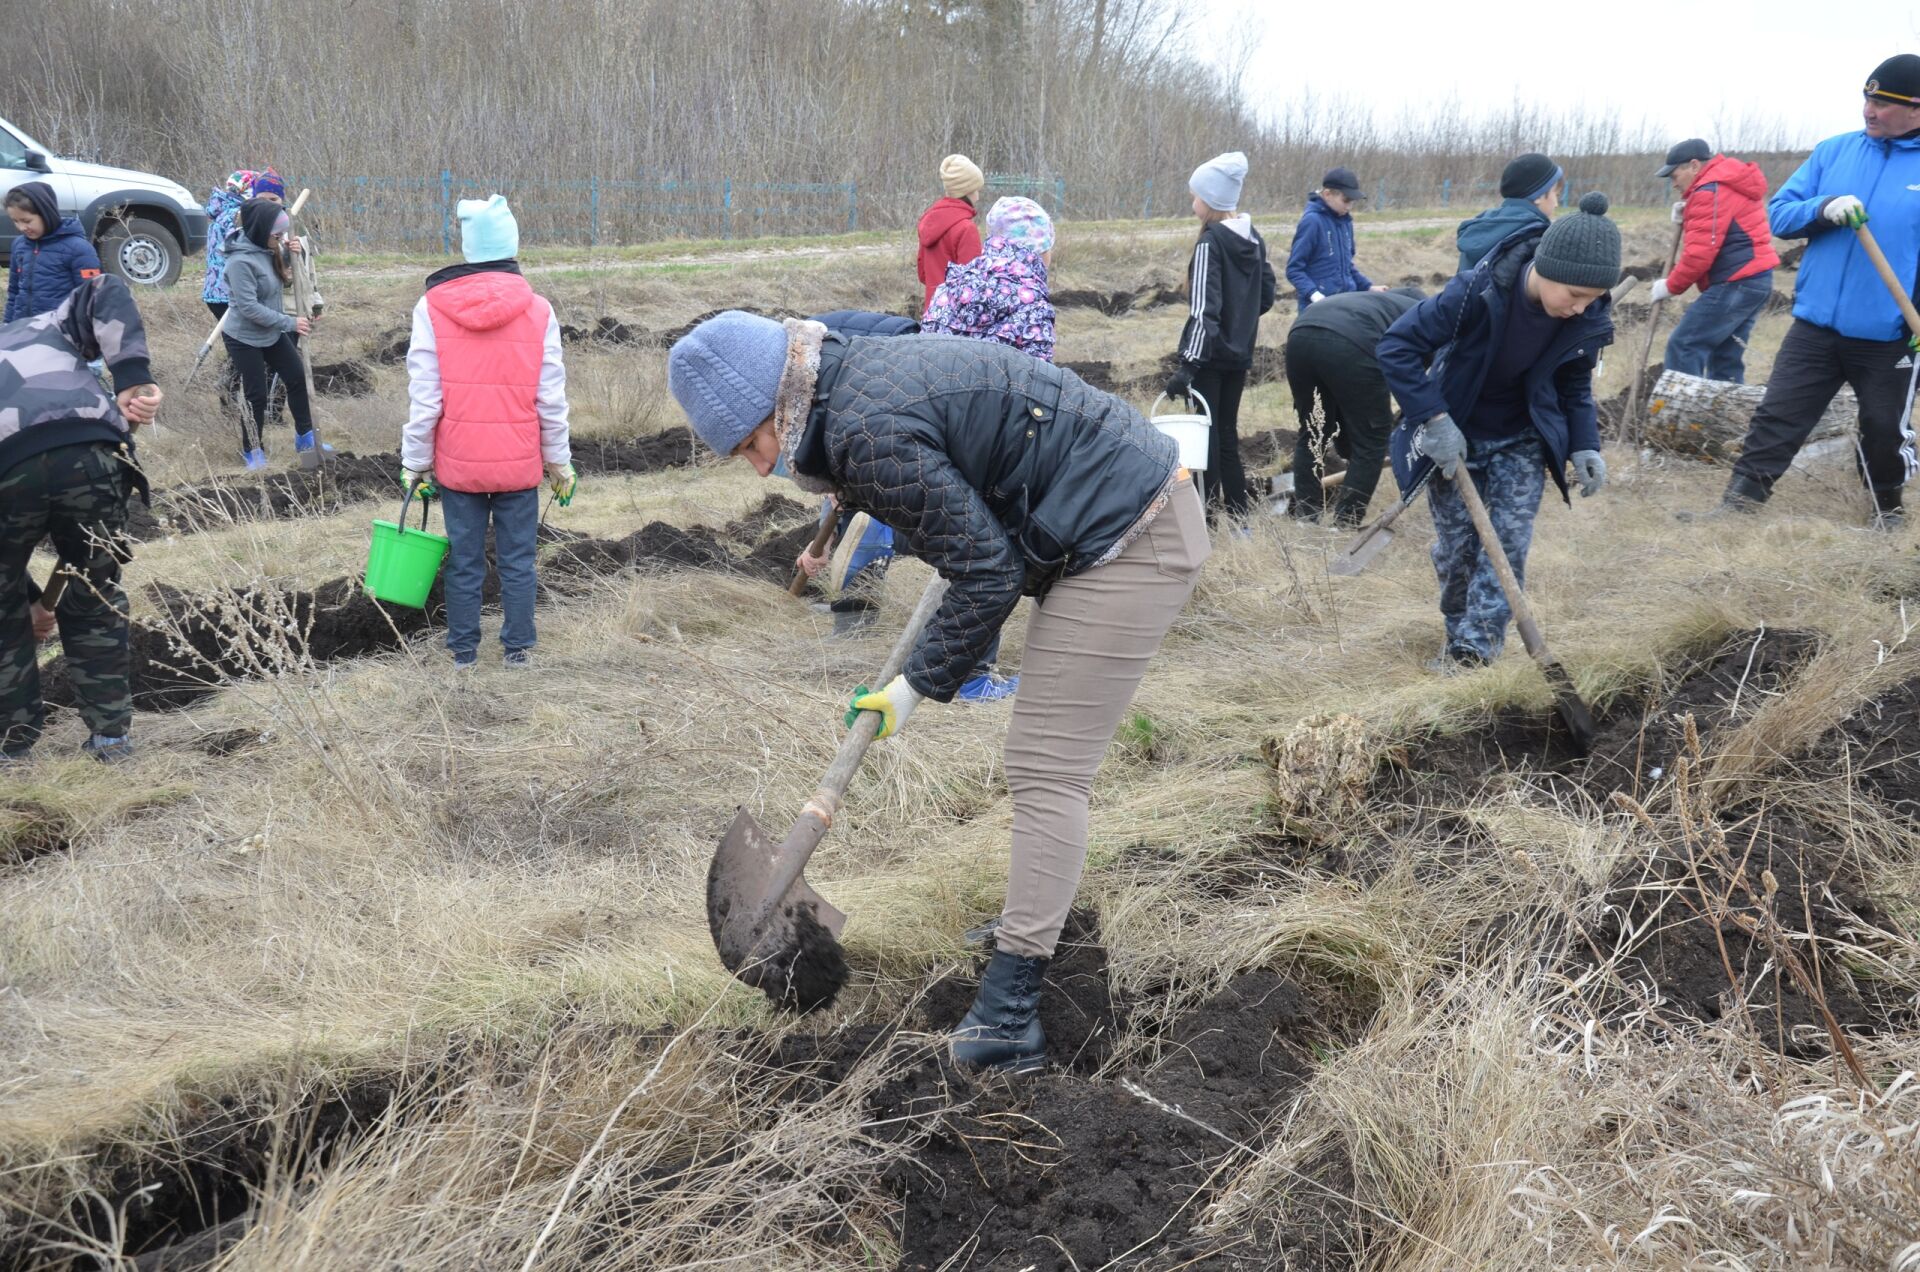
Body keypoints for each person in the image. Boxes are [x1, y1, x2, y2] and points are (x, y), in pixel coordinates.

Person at [668, 310, 1209, 1073]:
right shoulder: (840, 366)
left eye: (753, 441)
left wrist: (914, 687)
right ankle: (1032, 917)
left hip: (1133, 534)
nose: (758, 467)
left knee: (1046, 769)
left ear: (778, 401)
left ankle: (1011, 1012)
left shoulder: (866, 429)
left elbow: (987, 574)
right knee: (1038, 764)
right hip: (1092, 512)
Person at [1376, 192, 1618, 673]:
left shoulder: (1586, 312)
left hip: (1522, 439)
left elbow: (1574, 381)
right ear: (1544, 269)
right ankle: (1455, 629)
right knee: (1458, 550)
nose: (1579, 309)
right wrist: (1434, 419)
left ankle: (1473, 653)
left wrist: (1585, 443)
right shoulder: (1477, 292)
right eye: (1573, 296)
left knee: (1506, 544)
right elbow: (1396, 347)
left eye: (1591, 300)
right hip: (1455, 436)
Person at [1708, 54, 1920, 525]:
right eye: (1867, 97)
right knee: (1777, 415)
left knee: (1884, 428)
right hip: (1816, 324)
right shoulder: (1833, 151)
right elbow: (1779, 214)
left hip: (1891, 333)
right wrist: (1823, 208)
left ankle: (1888, 512)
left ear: (1917, 109)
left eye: (1884, 103)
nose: (1869, 110)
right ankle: (1738, 506)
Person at [402, 195, 575, 670]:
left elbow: (426, 397)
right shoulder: (539, 309)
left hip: (459, 465)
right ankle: (518, 652)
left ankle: (463, 655)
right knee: (519, 561)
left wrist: (414, 462)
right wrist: (559, 461)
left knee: (463, 561)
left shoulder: (430, 307)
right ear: (511, 248)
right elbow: (550, 399)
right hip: (519, 463)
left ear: (468, 248)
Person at [0, 275, 161, 763]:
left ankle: (13, 746)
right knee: (94, 593)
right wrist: (131, 377)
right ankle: (112, 738)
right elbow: (105, 288)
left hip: (10, 467)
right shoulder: (43, 323)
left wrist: (19, 600)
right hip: (95, 453)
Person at [1165, 151, 1277, 523]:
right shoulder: (1253, 238)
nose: (1191, 200)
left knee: (1203, 441)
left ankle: (1207, 521)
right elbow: (1266, 295)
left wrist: (1187, 366)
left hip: (1210, 360)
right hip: (1239, 356)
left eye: (1195, 195)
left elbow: (1203, 312)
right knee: (1226, 435)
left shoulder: (1211, 243)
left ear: (1210, 200)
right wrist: (1240, 326)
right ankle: (1240, 518)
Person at [1284, 286, 1426, 526]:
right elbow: (1415, 379)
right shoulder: (1423, 315)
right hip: (1352, 341)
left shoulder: (1376, 301)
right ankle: (1344, 523)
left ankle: (1306, 518)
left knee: (1314, 433)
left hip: (1300, 334)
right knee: (1372, 441)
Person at [1650, 138, 1779, 383]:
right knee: (1725, 355)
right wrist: (1689, 212)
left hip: (1737, 282)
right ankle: (1726, 418)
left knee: (1685, 344)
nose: (1673, 182)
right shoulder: (1724, 184)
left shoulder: (1709, 191)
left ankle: (1682, 417)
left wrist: (1669, 286)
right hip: (1755, 280)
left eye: (1674, 175)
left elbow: (1699, 256)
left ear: (1694, 166)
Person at [221, 199, 317, 469]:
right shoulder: (239, 262)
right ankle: (252, 450)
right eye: (277, 234)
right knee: (256, 394)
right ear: (260, 229)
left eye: (283, 234)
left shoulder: (268, 248)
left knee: (296, 377)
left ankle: (305, 436)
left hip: (270, 332)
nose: (281, 238)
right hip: (244, 337)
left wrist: (290, 253)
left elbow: (280, 276)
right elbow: (249, 308)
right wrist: (289, 323)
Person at [922, 195, 1057, 361]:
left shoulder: (948, 287)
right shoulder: (1035, 306)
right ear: (1041, 247)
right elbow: (1039, 381)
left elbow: (924, 357)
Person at [1286, 167, 1383, 312]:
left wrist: (1368, 286)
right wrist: (1314, 295)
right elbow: (1294, 269)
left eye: (1353, 201)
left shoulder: (1346, 223)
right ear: (1327, 194)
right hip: (1318, 308)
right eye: (1346, 200)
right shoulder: (1312, 222)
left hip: (1347, 304)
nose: (1349, 206)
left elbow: (1347, 267)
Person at [5, 181, 102, 323]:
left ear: (46, 214)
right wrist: (8, 326)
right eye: (16, 221)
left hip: (59, 331)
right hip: (23, 328)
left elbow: (90, 298)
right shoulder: (19, 245)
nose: (21, 227)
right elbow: (14, 291)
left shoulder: (79, 249)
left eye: (27, 221)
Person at [201, 170, 256, 405]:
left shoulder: (220, 213)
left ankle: (230, 393)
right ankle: (229, 393)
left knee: (237, 343)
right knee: (243, 345)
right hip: (230, 291)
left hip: (214, 293)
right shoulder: (238, 216)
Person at [1455, 153, 1563, 272]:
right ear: (1538, 196)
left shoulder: (1480, 226)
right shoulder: (1535, 236)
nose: (1556, 204)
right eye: (1556, 194)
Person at [916, 154, 984, 312]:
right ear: (966, 191)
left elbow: (923, 274)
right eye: (976, 190)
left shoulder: (928, 221)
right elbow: (972, 285)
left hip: (932, 312)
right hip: (956, 318)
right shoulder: (966, 228)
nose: (978, 196)